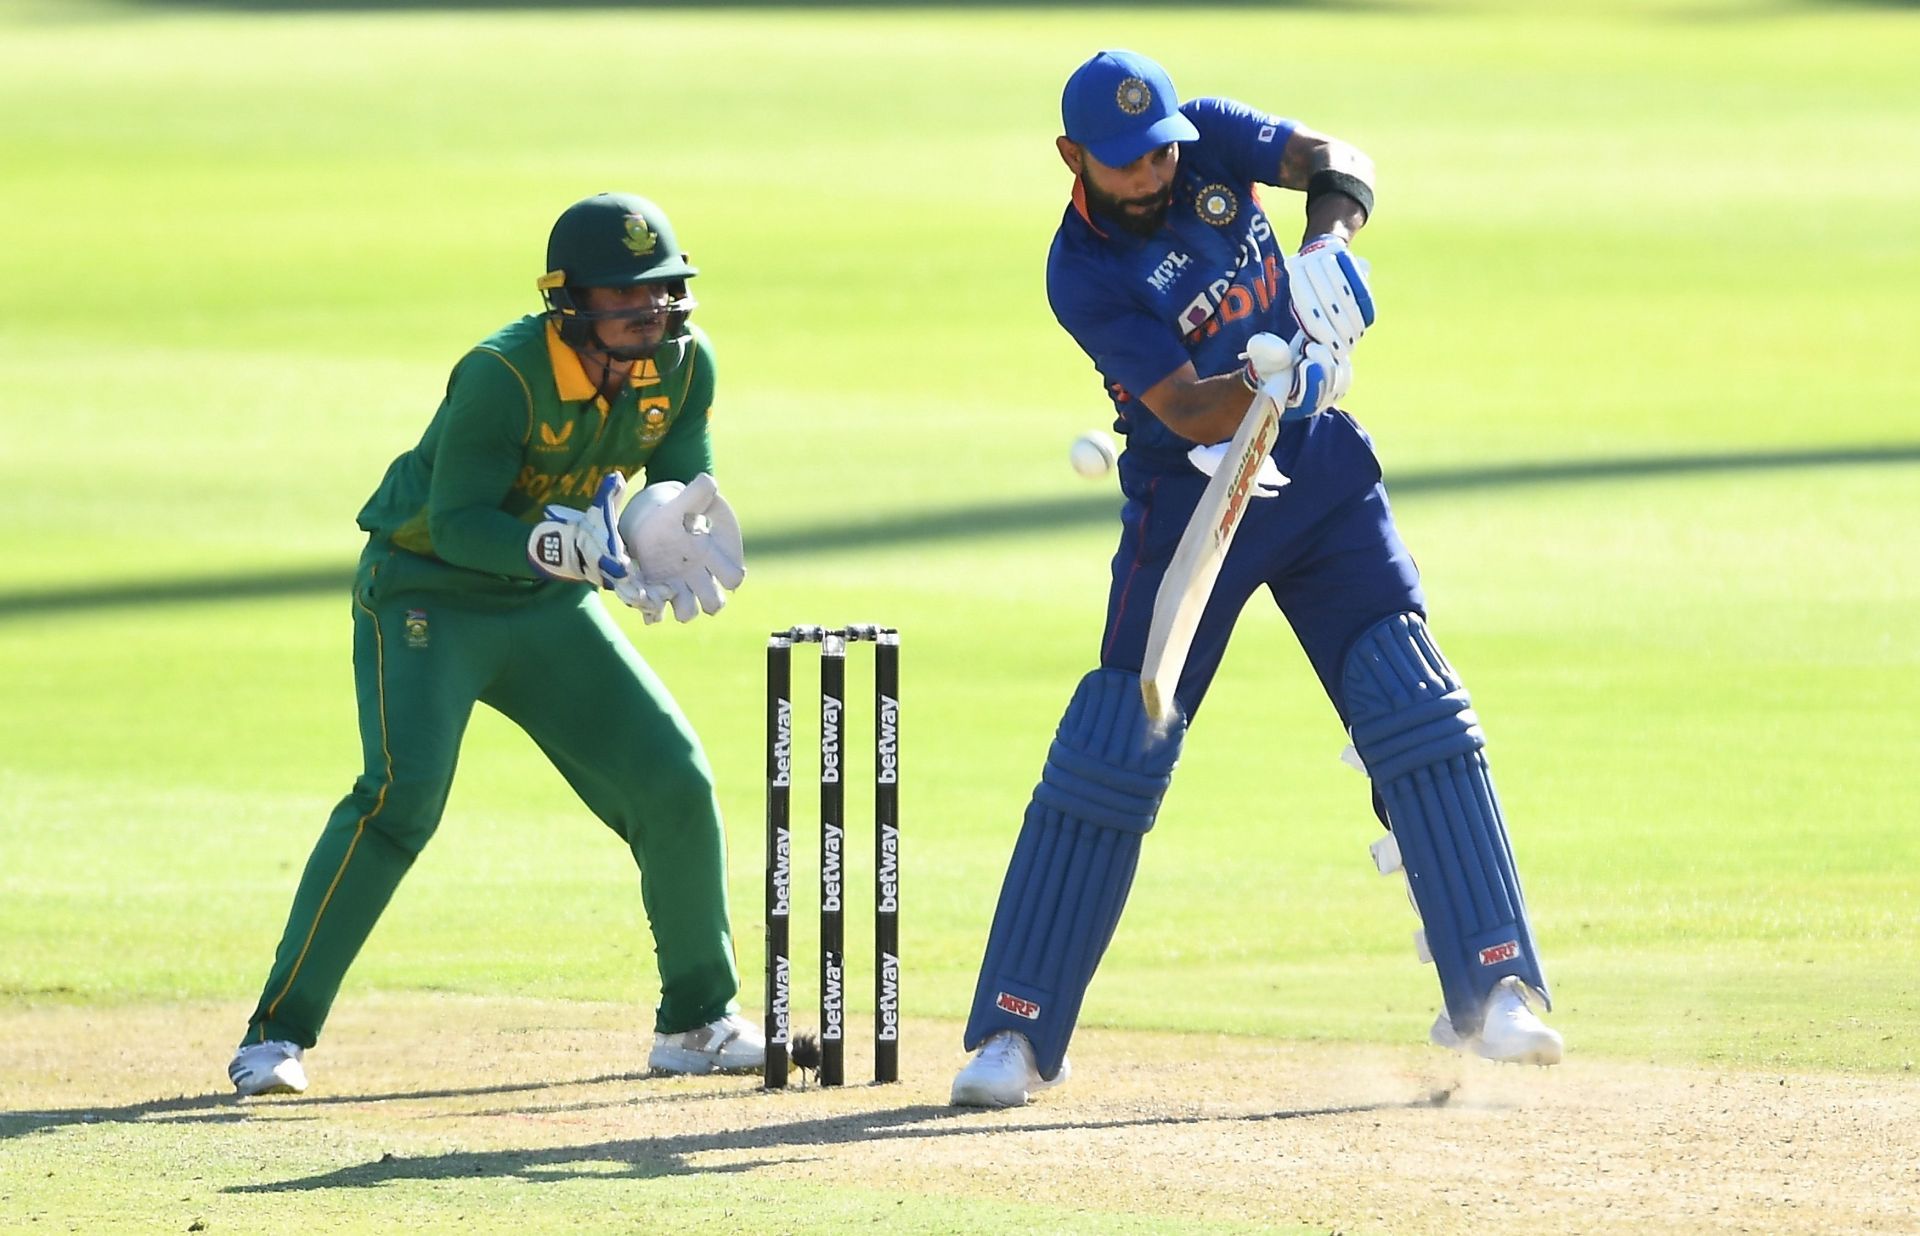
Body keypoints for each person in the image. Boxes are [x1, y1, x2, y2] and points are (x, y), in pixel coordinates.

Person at [950, 51, 1562, 1107]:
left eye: (1162, 153)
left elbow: (1340, 158)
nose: (1153, 174)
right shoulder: (1080, 271)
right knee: (1116, 745)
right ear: (1073, 158)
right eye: (1127, 164)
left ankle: (1497, 991)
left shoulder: (1209, 141)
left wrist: (1327, 247)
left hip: (1316, 479)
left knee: (1414, 705)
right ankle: (1016, 1032)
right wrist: (1301, 371)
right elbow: (1189, 408)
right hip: (1191, 500)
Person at [228, 192, 760, 1097]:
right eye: (628, 300)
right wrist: (556, 547)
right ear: (570, 305)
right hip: (428, 594)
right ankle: (276, 1036)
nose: (653, 315)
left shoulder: (682, 367)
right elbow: (457, 520)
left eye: (665, 294)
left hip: (548, 605)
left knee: (672, 778)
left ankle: (696, 1020)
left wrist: (662, 534)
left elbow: (675, 484)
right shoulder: (502, 375)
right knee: (403, 799)